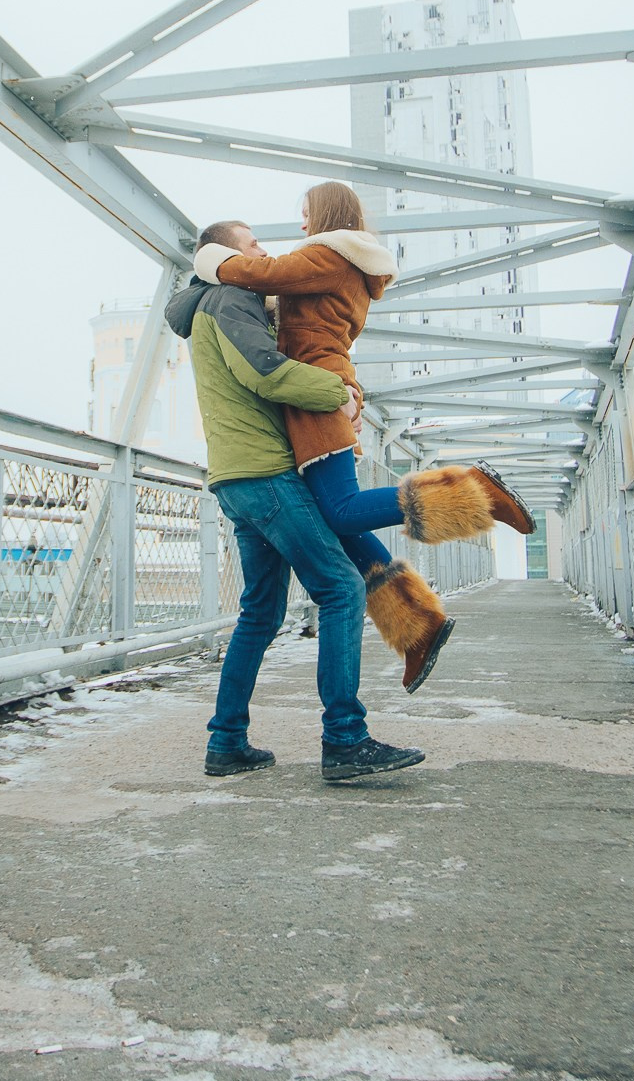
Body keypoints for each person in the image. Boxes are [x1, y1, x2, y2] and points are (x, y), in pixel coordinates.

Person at [193, 182, 535, 691]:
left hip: (315, 397)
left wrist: (213, 259)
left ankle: (471, 492)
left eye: (306, 212)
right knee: (344, 529)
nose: (300, 225)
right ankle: (416, 625)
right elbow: (300, 322)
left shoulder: (327, 254)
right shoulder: (339, 263)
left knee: (342, 511)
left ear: (326, 213)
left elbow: (261, 274)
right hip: (320, 391)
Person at [164, 223, 426, 784]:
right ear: (226, 253)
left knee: (261, 613)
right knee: (342, 588)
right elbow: (265, 372)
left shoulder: (208, 307)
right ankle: (345, 740)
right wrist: (339, 394)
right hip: (265, 474)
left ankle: (226, 742)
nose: (262, 252)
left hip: (236, 476)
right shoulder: (229, 297)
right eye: (253, 244)